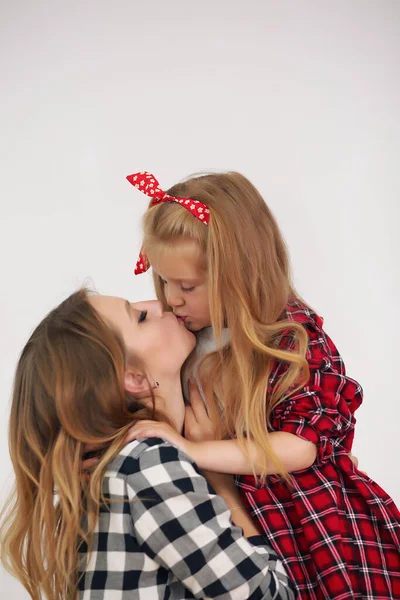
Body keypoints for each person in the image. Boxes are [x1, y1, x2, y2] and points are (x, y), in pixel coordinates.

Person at [125, 170, 400, 599]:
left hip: (304, 519)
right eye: (162, 280)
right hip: (224, 521)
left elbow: (300, 445)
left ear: (242, 273)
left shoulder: (291, 339)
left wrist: (198, 450)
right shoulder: (185, 336)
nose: (171, 298)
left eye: (187, 285)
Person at [0, 289, 295, 600]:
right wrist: (222, 485)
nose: (159, 303)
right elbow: (271, 596)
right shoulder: (149, 464)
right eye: (140, 317)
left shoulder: (109, 474)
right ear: (135, 378)